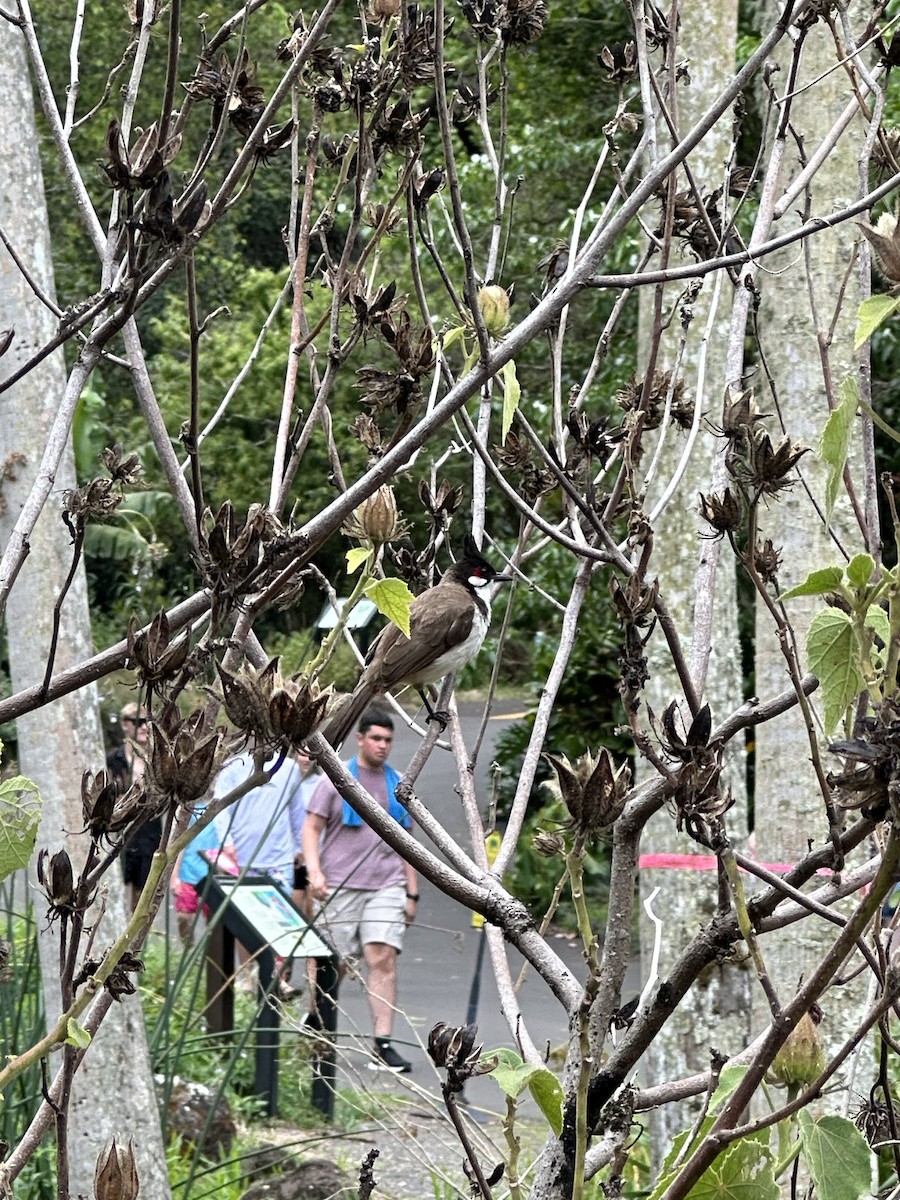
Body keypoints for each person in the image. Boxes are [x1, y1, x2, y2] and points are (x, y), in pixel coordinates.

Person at [303, 710, 419, 1074]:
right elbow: (311, 828)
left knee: (382, 957)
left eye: (388, 740)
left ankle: (383, 1043)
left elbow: (406, 843)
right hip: (338, 884)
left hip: (386, 884)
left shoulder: (398, 783)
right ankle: (317, 1025)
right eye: (376, 739)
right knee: (327, 963)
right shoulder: (335, 780)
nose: (382, 746)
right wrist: (314, 871)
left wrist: (411, 893)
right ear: (360, 738)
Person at [107, 701, 161, 912]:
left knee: (142, 890)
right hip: (119, 831)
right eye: (138, 722)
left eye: (148, 722)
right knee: (117, 886)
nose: (144, 727)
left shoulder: (156, 760)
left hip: (149, 831)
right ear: (125, 725)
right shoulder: (114, 759)